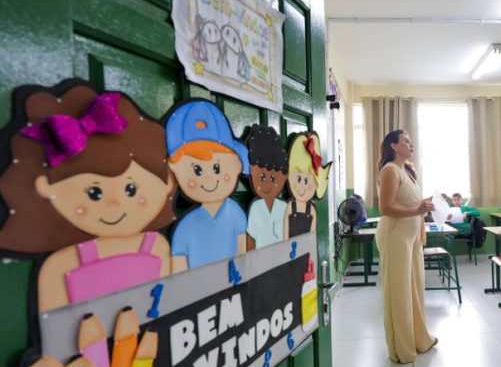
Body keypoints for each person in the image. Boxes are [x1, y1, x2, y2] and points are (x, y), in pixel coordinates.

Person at [0, 81, 176, 312]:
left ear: (167, 183)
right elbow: (51, 324)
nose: (115, 204)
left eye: (131, 190)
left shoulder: (155, 246)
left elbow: (167, 303)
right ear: (45, 187)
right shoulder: (62, 262)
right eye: (94, 193)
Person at [375, 129, 438, 363]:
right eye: (406, 141)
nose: (411, 145)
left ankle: (419, 339)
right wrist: (417, 209)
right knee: (400, 292)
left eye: (410, 141)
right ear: (393, 146)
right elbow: (385, 208)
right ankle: (402, 348)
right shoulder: (390, 170)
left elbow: (408, 203)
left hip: (411, 238)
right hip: (395, 236)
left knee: (415, 289)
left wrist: (423, 205)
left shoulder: (406, 171)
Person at [167, 100, 248, 272]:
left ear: (237, 166)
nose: (209, 180)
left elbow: (242, 253)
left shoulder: (236, 213)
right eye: (197, 170)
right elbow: (178, 269)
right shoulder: (186, 225)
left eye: (216, 168)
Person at [245, 125, 288, 250]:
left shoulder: (284, 207)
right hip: (260, 260)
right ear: (252, 171)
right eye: (263, 177)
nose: (268, 184)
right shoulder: (256, 208)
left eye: (273, 178)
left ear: (284, 176)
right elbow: (250, 240)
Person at [283, 131, 332, 239]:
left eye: (306, 180)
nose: (302, 186)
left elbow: (312, 236)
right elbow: (285, 235)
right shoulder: (290, 207)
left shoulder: (312, 210)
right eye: (298, 178)